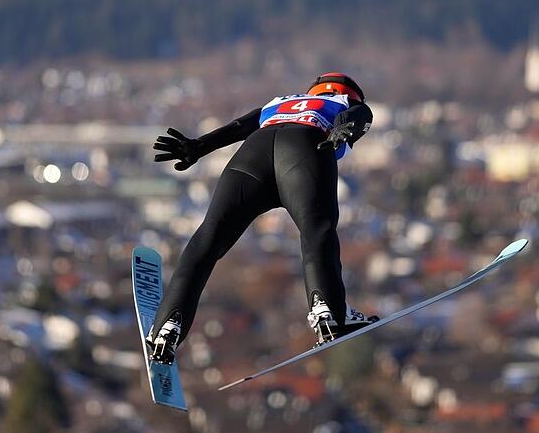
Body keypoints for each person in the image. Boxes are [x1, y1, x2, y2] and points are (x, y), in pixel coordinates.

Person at [147, 72, 378, 364]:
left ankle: (168, 324)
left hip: (252, 155)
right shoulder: (344, 101)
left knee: (209, 237)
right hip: (305, 148)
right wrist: (344, 129)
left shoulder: (280, 102)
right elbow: (361, 114)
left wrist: (197, 147)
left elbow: (238, 127)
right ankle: (328, 309)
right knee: (316, 231)